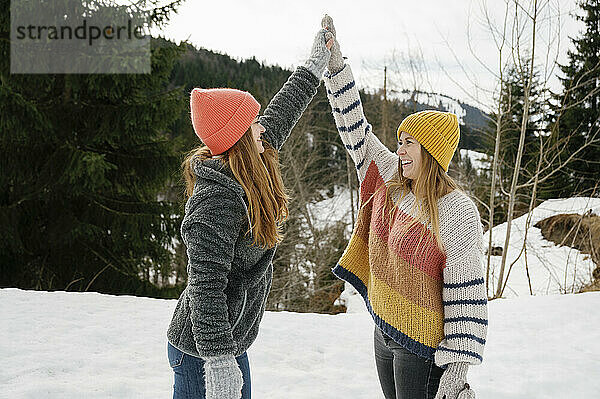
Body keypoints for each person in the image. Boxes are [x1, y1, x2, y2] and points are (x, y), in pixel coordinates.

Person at [321, 15, 488, 399]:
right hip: (383, 332)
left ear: (430, 152)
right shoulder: (392, 181)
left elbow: (467, 296)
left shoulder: (457, 212)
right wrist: (335, 68)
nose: (399, 149)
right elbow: (356, 130)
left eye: (408, 142)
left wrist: (456, 370)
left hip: (421, 351)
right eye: (399, 140)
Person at [165, 29, 334, 399]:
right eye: (253, 123)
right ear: (238, 137)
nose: (263, 128)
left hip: (229, 341)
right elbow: (205, 286)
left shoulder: (248, 161)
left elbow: (282, 112)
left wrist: (314, 65)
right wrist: (219, 361)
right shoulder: (215, 201)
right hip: (201, 351)